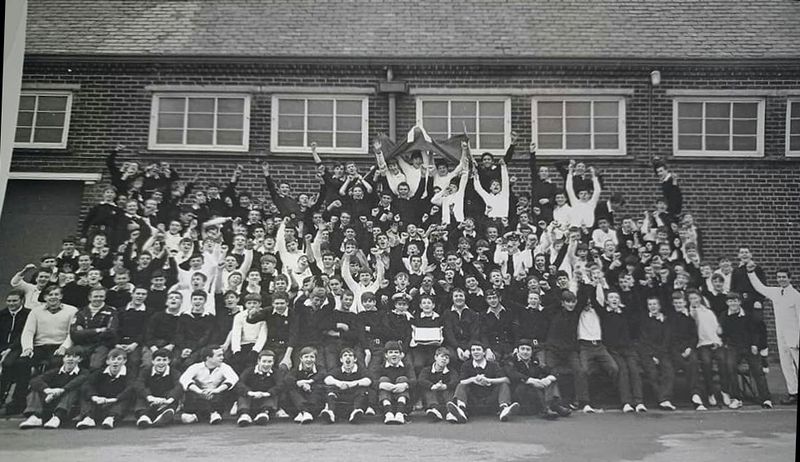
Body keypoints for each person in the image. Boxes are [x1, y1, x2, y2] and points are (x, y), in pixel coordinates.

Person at [746, 264, 799, 405]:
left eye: (784, 277)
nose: (781, 279)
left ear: (789, 279)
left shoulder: (796, 296)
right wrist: (751, 272)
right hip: (781, 336)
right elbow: (760, 288)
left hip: (795, 337)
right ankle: (793, 393)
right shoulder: (776, 292)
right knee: (786, 365)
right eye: (779, 277)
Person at [718, 293, 772, 409]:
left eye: (735, 301)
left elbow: (755, 332)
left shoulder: (748, 315)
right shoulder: (724, 315)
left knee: (757, 369)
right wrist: (723, 339)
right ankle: (736, 398)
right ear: (727, 303)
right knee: (730, 366)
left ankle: (766, 399)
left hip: (748, 346)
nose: (733, 303)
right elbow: (722, 333)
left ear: (740, 302)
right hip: (733, 346)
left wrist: (754, 345)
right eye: (730, 301)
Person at [18, 347, 88, 429]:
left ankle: (57, 417)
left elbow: (79, 380)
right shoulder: (55, 371)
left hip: (66, 404)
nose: (70, 359)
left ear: (80, 359)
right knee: (35, 388)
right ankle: (36, 417)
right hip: (50, 399)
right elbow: (35, 380)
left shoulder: (83, 372)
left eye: (75, 357)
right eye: (68, 356)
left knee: (73, 390)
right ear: (63, 359)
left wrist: (61, 390)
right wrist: (48, 390)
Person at [446, 342, 516, 423]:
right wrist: (473, 379)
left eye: (478, 349)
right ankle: (461, 410)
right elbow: (461, 381)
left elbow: (506, 379)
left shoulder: (493, 365)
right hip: (473, 399)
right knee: (462, 385)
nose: (475, 352)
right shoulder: (466, 365)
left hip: (490, 398)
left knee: (504, 385)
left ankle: (503, 409)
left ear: (484, 352)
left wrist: (488, 380)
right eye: (473, 350)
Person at [504, 338, 571, 419]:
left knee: (551, 381)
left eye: (528, 350)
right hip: (518, 393)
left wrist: (549, 378)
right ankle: (545, 410)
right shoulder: (511, 359)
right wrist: (530, 380)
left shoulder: (534, 361)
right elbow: (512, 374)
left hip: (533, 392)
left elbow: (550, 370)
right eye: (522, 349)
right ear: (517, 350)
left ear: (532, 352)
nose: (525, 352)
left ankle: (555, 406)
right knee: (531, 385)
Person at [75, 348, 135, 429]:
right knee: (85, 393)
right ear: (107, 361)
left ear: (124, 361)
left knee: (126, 398)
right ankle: (88, 418)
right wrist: (95, 397)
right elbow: (87, 385)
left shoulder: (129, 374)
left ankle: (110, 418)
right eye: (113, 359)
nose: (115, 362)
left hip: (115, 402)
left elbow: (130, 388)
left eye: (119, 359)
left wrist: (113, 399)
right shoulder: (99, 372)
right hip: (99, 402)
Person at [179, 344, 239, 425]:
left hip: (217, 397)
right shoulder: (196, 367)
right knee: (191, 394)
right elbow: (184, 379)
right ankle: (212, 414)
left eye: (222, 355)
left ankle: (198, 416)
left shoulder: (224, 367)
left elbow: (233, 378)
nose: (222, 358)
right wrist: (200, 391)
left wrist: (216, 391)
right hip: (198, 397)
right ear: (208, 358)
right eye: (219, 356)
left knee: (229, 390)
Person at [70, 287, 119, 370]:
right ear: (89, 297)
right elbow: (74, 334)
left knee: (95, 366)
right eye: (96, 296)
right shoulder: (81, 312)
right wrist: (98, 330)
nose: (98, 299)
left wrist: (84, 332)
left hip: (102, 345)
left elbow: (111, 332)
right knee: (71, 362)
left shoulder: (111, 311)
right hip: (83, 345)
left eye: (101, 296)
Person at [133, 348, 182, 428]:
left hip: (165, 399)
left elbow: (179, 387)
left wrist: (169, 400)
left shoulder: (175, 373)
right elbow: (139, 384)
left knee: (172, 403)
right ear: (153, 361)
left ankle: (161, 418)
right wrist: (149, 397)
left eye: (164, 360)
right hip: (150, 398)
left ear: (169, 361)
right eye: (158, 360)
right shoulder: (145, 371)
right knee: (141, 399)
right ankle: (144, 418)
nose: (161, 363)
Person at [1, 289, 31, 414]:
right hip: (3, 347)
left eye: (14, 301)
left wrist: (9, 349)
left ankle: (15, 401)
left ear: (22, 301)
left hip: (18, 346)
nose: (11, 303)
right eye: (9, 301)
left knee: (9, 364)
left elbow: (24, 334)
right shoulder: (2, 314)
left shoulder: (28, 314)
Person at [322, 347, 372, 424]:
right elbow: (327, 379)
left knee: (362, 390)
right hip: (340, 404)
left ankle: (355, 413)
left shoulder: (360, 370)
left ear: (355, 359)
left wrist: (350, 384)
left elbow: (368, 380)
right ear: (341, 360)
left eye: (350, 355)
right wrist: (340, 384)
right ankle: (330, 412)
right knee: (331, 388)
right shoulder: (337, 370)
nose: (348, 357)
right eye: (345, 355)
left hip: (355, 402)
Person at [235, 350, 284, 426]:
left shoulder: (276, 373)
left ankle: (263, 414)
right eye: (264, 361)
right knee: (243, 394)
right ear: (258, 361)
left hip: (266, 400)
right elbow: (239, 384)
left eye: (269, 362)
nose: (266, 364)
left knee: (273, 395)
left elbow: (280, 385)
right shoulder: (249, 371)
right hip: (251, 400)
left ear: (273, 362)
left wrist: (266, 393)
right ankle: (244, 415)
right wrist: (250, 393)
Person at [371, 341, 416, 425]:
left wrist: (405, 385)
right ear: (386, 355)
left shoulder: (407, 366)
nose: (394, 354)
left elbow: (414, 380)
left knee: (402, 379)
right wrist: (382, 385)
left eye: (396, 352)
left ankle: (400, 414)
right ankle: (389, 414)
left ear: (401, 355)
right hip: (385, 403)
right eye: (390, 352)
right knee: (383, 379)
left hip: (404, 403)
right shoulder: (380, 367)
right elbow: (372, 381)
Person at [417, 347, 459, 422]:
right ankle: (435, 410)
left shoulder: (451, 371)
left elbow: (455, 381)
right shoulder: (427, 370)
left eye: (447, 358)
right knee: (428, 391)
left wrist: (445, 386)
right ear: (435, 357)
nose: (444, 359)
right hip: (432, 400)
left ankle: (450, 412)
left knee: (449, 391)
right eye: (442, 356)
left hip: (445, 399)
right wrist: (432, 386)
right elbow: (421, 380)